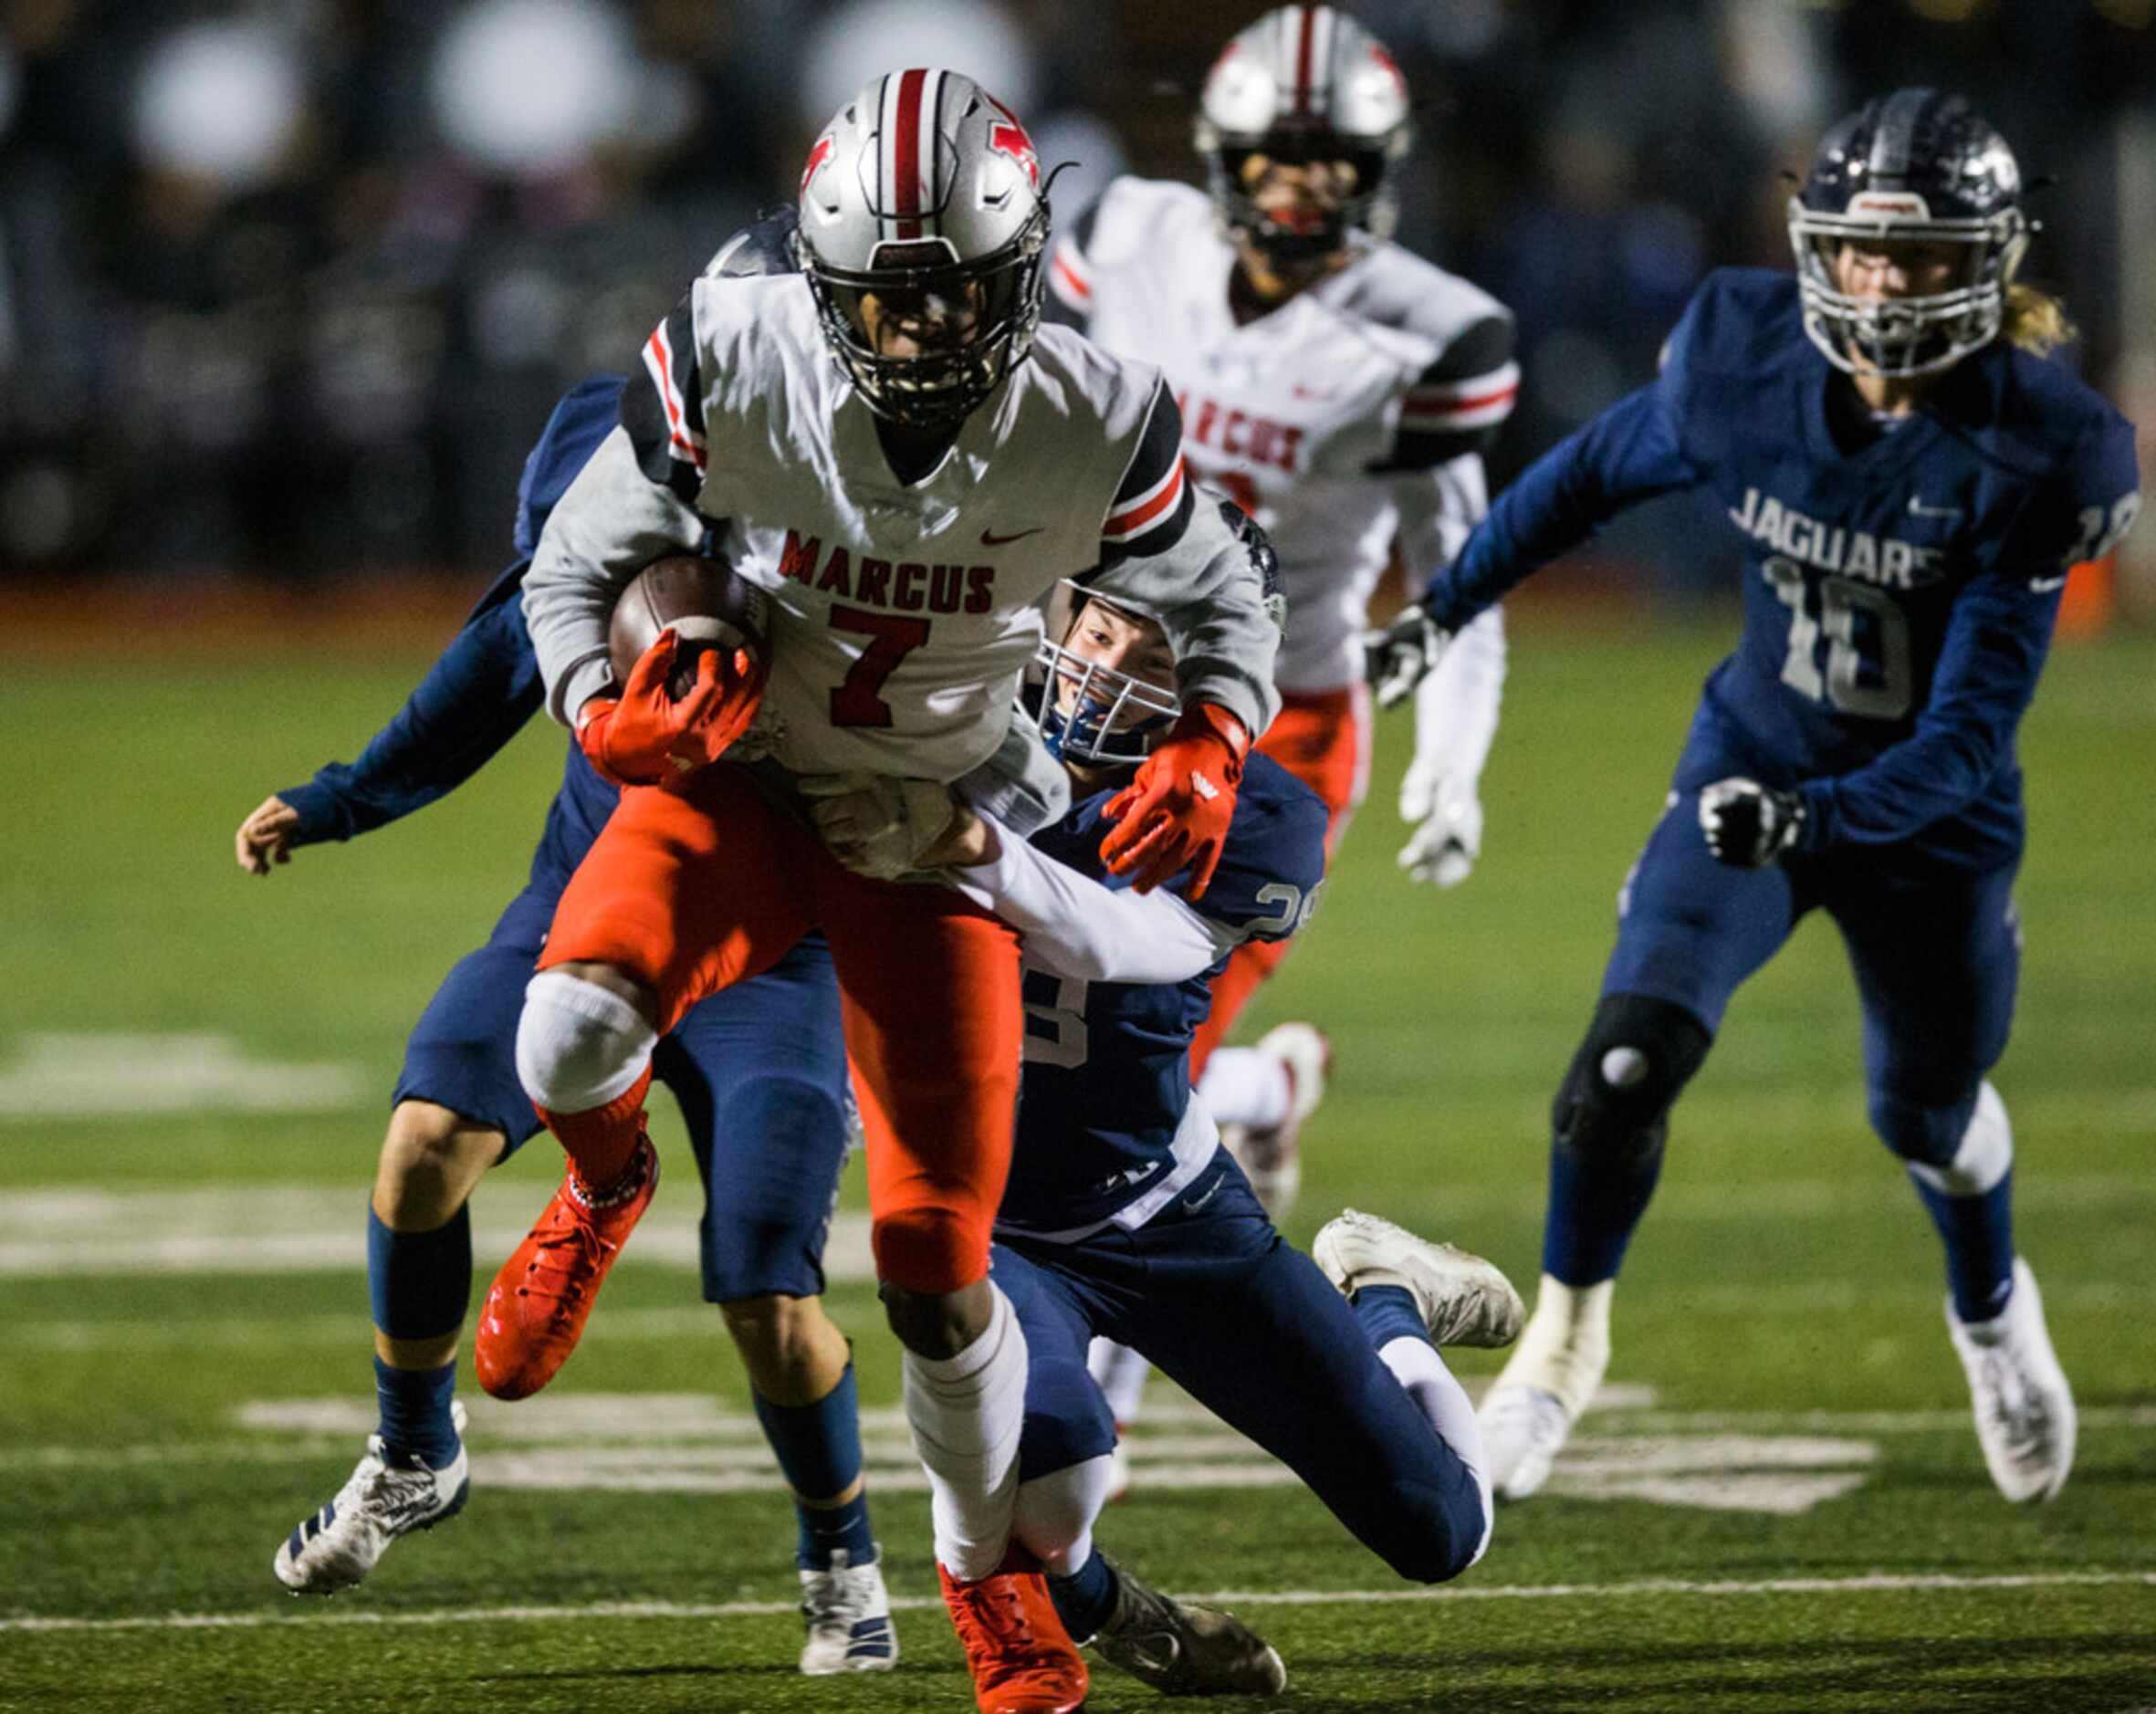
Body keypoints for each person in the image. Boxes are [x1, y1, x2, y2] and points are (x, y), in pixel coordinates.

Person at [495, 69, 1282, 1714]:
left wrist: (1213, 733)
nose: (917, 328)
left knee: (935, 1256)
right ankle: (604, 1178)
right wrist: (601, 712)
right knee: (563, 1036)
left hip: (936, 820)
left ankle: (985, 1580)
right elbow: (570, 567)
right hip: (752, 786)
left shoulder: (1095, 412)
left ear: (1020, 275)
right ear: (820, 273)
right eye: (883, 292)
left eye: (953, 292)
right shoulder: (732, 350)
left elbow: (1224, 601)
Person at [1366, 89, 2140, 1506]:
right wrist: (1442, 606)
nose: (1881, 286)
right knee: (1616, 1073)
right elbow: (1584, 477)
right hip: (1759, 757)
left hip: (1926, 819)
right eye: (1857, 253)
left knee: (1928, 1115)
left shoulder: (2039, 443)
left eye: (1915, 259)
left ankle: (1987, 1312)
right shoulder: (1740, 355)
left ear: (1988, 262)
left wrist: (1816, 824)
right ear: (1813, 248)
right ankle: (1556, 1351)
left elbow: (1967, 737)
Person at [235, 369, 898, 1674]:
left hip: (778, 951)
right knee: (424, 1141)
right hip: (586, 901)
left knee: (764, 1286)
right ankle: (415, 1447)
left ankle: (841, 1551)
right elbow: (485, 675)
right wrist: (336, 799)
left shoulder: (857, 547)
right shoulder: (596, 503)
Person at [809, 587, 1523, 1697]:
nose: (1104, 668)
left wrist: (967, 843)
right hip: (996, 1225)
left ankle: (1386, 1292)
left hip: (1174, 1210)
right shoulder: (946, 736)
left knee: (1443, 1532)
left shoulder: (1256, 812)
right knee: (1050, 1484)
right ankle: (1108, 1610)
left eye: (1151, 652)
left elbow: (1113, 938)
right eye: (1097, 631)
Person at [1044, 4, 1515, 1215]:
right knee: (1035, 1029)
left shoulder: (1418, 337)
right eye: (1278, 159)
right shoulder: (1131, 233)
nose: (1304, 188)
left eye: (1335, 165)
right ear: (1223, 157)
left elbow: (1463, 576)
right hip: (1082, 682)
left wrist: (1451, 763)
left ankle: (1109, 1389)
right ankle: (1262, 1093)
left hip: (1274, 727)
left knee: (1137, 1069)